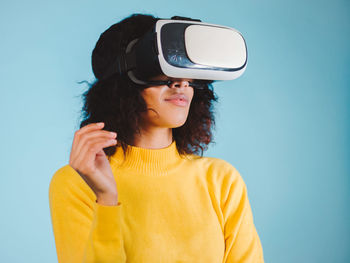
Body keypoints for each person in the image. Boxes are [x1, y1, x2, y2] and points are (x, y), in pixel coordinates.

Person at [48, 13, 265, 263]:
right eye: (160, 70)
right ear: (122, 83)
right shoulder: (75, 184)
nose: (181, 82)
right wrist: (106, 200)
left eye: (186, 71)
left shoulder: (221, 181)